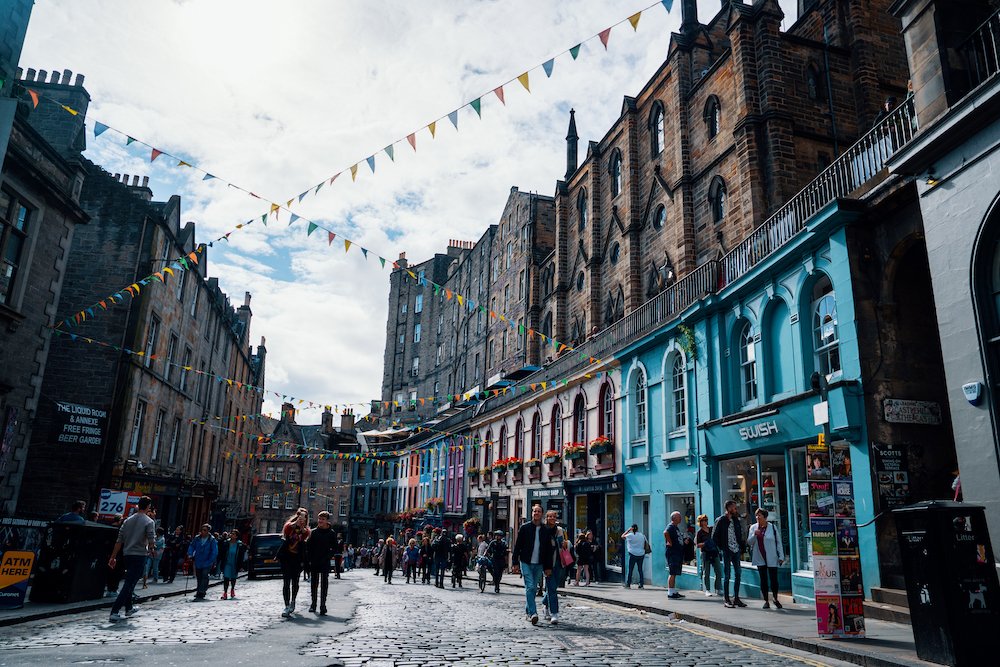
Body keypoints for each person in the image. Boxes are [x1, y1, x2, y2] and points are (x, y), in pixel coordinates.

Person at [107, 496, 155, 622]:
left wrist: (113, 557)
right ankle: (115, 610)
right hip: (139, 555)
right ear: (148, 506)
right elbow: (151, 541)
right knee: (129, 583)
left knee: (130, 581)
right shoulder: (149, 521)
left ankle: (129, 608)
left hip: (126, 554)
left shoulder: (127, 521)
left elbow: (119, 541)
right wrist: (152, 549)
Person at [511, 505, 553, 625]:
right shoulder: (525, 528)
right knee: (530, 587)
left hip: (539, 564)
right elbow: (517, 546)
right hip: (526, 562)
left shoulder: (545, 530)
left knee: (533, 588)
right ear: (532, 513)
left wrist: (548, 567)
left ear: (542, 514)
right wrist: (515, 562)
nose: (536, 513)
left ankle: (528, 610)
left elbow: (548, 550)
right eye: (534, 511)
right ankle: (533, 613)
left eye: (539, 511)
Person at [747, 508, 784, 609]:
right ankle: (766, 601)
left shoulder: (772, 528)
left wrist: (781, 556)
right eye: (756, 515)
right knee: (763, 579)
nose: (758, 517)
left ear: (765, 517)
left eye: (760, 515)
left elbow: (778, 542)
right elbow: (749, 542)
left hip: (772, 556)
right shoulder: (753, 528)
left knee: (773, 579)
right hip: (760, 557)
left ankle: (775, 598)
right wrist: (754, 534)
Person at [713, 500, 747, 608]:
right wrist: (723, 548)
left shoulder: (735, 520)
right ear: (729, 509)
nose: (736, 510)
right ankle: (726, 599)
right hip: (727, 551)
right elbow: (714, 536)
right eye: (734, 508)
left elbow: (738, 534)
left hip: (736, 550)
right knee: (727, 575)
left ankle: (736, 598)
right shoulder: (721, 520)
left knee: (738, 574)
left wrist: (741, 545)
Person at [279, 510, 310, 617]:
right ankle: (286, 605)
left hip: (297, 559)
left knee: (295, 582)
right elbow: (286, 531)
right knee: (286, 581)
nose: (301, 518)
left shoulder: (305, 530)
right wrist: (295, 523)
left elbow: (305, 535)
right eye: (299, 515)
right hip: (287, 557)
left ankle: (293, 600)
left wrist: (301, 527)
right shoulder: (290, 526)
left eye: (303, 516)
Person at [306, 511, 335, 613]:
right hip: (314, 560)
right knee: (314, 583)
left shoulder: (331, 533)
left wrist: (328, 557)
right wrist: (309, 559)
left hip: (324, 561)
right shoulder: (313, 532)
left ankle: (323, 605)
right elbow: (308, 547)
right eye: (319, 519)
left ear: (327, 521)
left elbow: (335, 548)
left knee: (324, 584)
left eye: (322, 519)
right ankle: (313, 604)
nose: (320, 521)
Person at [542, 510, 565, 625]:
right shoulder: (543, 529)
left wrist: (564, 544)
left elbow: (562, 544)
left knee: (553, 586)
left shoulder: (560, 530)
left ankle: (545, 604)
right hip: (548, 563)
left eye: (554, 517)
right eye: (550, 516)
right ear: (546, 518)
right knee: (552, 588)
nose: (552, 518)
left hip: (559, 562)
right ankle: (554, 613)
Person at [187, 524, 218, 601]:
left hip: (207, 561)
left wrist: (212, 560)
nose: (202, 532)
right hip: (198, 560)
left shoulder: (212, 540)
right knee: (199, 576)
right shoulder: (197, 538)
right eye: (202, 530)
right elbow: (192, 546)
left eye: (204, 530)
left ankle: (202, 591)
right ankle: (199, 590)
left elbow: (214, 551)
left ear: (208, 531)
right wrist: (190, 554)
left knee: (204, 576)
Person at [695, 514, 723, 596]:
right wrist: (705, 543)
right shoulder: (699, 532)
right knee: (706, 571)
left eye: (706, 520)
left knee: (718, 570)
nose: (706, 522)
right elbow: (697, 545)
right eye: (704, 520)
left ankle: (718, 588)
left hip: (714, 551)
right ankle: (707, 589)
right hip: (705, 552)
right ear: (701, 522)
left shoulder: (711, 529)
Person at [218, 528, 246, 600]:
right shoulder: (226, 543)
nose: (231, 535)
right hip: (227, 562)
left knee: (233, 577)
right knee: (226, 577)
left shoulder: (239, 545)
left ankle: (232, 589)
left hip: (235, 563)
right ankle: (225, 592)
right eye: (231, 533)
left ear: (236, 536)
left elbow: (241, 556)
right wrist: (218, 561)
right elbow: (222, 553)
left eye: (233, 534)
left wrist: (241, 565)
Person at [664, 511, 685, 599]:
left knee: (675, 573)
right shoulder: (671, 527)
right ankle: (670, 593)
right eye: (679, 517)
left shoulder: (675, 528)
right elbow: (665, 532)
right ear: (674, 518)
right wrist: (669, 541)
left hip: (677, 552)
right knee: (672, 573)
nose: (680, 518)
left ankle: (673, 591)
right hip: (672, 553)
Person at [622, 524, 647, 589]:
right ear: (637, 529)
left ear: (632, 529)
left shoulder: (630, 535)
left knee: (630, 569)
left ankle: (628, 584)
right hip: (641, 554)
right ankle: (641, 584)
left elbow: (622, 536)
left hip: (633, 554)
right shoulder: (642, 535)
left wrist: (628, 530)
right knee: (640, 569)